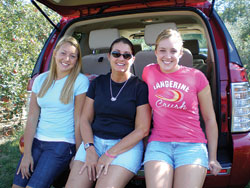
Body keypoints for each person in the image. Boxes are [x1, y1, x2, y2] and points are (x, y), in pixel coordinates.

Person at [65, 37, 151, 188]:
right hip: (94, 142)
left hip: (125, 146)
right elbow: (85, 119)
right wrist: (89, 149)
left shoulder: (140, 87)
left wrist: (110, 154)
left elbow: (142, 129)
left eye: (127, 55)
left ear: (132, 59)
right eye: (116, 54)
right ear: (109, 56)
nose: (121, 58)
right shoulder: (98, 83)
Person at [142, 29, 222, 188]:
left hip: (191, 145)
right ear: (156, 51)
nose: (167, 56)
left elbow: (210, 119)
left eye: (173, 51)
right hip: (159, 144)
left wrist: (212, 157)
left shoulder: (196, 77)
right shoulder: (148, 71)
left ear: (180, 54)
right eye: (162, 50)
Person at [12, 36, 89, 188]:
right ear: (54, 53)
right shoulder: (40, 80)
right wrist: (27, 154)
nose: (67, 59)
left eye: (73, 56)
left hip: (62, 144)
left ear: (77, 60)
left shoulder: (80, 81)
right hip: (37, 142)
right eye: (63, 53)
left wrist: (78, 155)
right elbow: (32, 118)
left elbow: (79, 119)